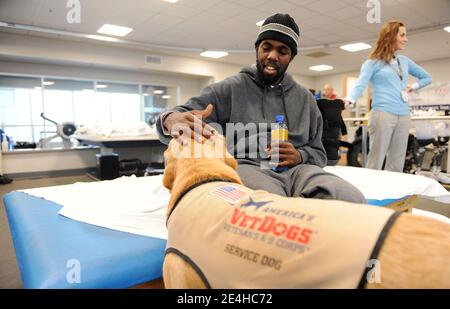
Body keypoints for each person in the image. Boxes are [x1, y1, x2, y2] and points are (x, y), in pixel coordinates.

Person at [157, 13, 365, 203]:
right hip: (248, 166)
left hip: (298, 170)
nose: (273, 55)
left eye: (282, 51)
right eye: (267, 47)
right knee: (271, 208)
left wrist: (300, 156)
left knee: (351, 199)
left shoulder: (305, 99)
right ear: (257, 49)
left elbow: (320, 153)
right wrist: (170, 119)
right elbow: (179, 115)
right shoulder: (231, 88)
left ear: (291, 57)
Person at [343, 21, 432, 172]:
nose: (406, 39)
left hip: (404, 115)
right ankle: (371, 191)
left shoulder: (404, 61)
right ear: (391, 36)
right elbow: (361, 84)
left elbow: (426, 77)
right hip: (382, 114)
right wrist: (349, 99)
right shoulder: (372, 63)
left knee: (397, 160)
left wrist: (413, 87)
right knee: (376, 158)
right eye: (402, 35)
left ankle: (392, 191)